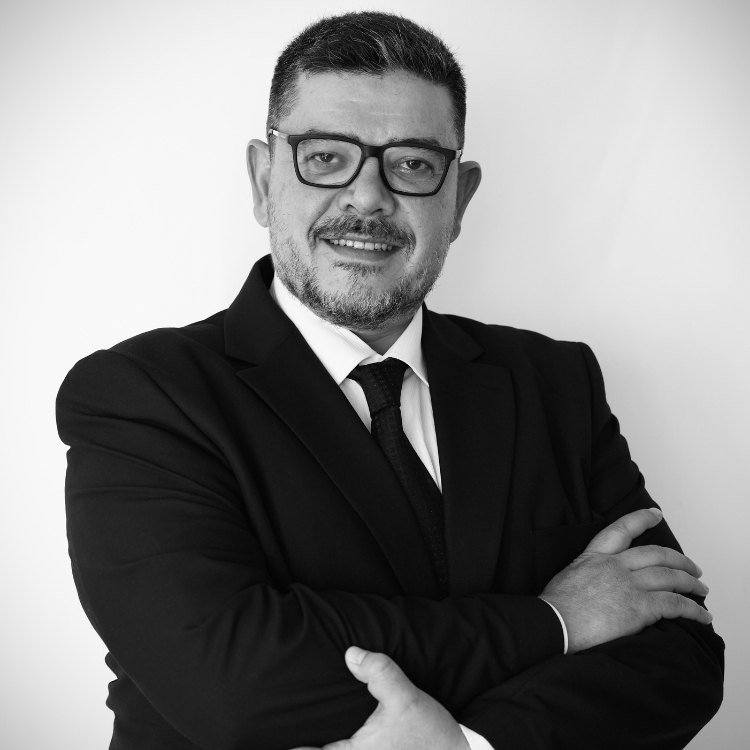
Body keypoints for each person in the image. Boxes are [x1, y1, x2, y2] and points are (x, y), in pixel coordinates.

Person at [56, 11, 723, 750]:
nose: (368, 197)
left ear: (459, 197)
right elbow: (228, 677)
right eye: (326, 156)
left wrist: (469, 744)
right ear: (263, 179)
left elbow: (680, 655)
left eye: (411, 164)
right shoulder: (141, 396)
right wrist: (558, 618)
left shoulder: (555, 384)